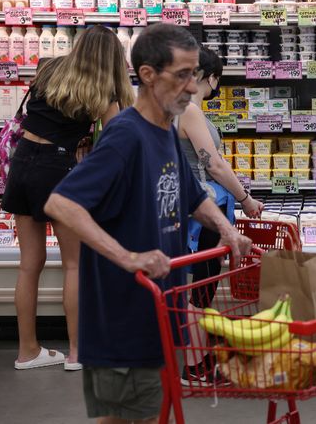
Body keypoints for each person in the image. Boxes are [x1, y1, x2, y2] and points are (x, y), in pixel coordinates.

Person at [44, 23, 252, 424]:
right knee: (124, 417)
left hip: (160, 303)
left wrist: (228, 230)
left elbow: (193, 197)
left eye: (194, 74)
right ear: (147, 75)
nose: (193, 87)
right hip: (122, 311)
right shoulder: (126, 134)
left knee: (150, 410)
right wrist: (129, 257)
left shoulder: (166, 133)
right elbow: (62, 203)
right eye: (182, 75)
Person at [3, 25, 134, 371]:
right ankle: (77, 352)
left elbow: (34, 117)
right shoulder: (103, 88)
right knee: (75, 264)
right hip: (58, 170)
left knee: (30, 264)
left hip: (22, 163)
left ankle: (27, 352)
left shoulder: (48, 68)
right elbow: (119, 139)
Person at [176, 46, 263, 384]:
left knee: (197, 286)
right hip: (203, 213)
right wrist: (246, 199)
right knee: (201, 288)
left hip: (193, 209)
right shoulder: (190, 110)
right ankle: (196, 367)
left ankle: (199, 356)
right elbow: (212, 164)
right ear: (209, 77)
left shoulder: (173, 107)